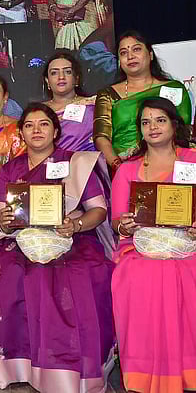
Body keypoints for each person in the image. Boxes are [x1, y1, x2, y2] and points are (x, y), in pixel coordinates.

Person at [0, 104, 114, 391]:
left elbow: (98, 210)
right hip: (21, 240)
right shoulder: (10, 169)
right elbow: (2, 218)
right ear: (21, 133)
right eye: (29, 125)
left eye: (43, 124)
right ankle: (20, 366)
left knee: (75, 275)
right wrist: (5, 221)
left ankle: (72, 369)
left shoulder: (76, 163)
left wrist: (76, 225)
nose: (36, 130)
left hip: (73, 238)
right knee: (9, 272)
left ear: (56, 131)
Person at [111, 97, 196, 393]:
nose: (153, 127)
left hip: (189, 246)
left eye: (160, 120)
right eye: (146, 122)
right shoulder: (127, 170)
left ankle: (188, 372)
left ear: (174, 124)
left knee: (184, 271)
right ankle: (142, 374)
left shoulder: (193, 161)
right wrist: (124, 225)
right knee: (139, 274)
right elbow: (117, 221)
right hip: (142, 248)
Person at [94, 31, 192, 171]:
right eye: (123, 53)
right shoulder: (108, 94)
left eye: (136, 49)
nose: (130, 56)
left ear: (150, 55)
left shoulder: (173, 88)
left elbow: (182, 130)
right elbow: (101, 137)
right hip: (123, 166)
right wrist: (119, 168)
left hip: (170, 164)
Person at [42, 49, 99, 151]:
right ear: (47, 81)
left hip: (85, 160)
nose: (61, 77)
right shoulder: (38, 111)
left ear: (76, 79)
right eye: (54, 73)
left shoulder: (93, 105)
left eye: (67, 72)